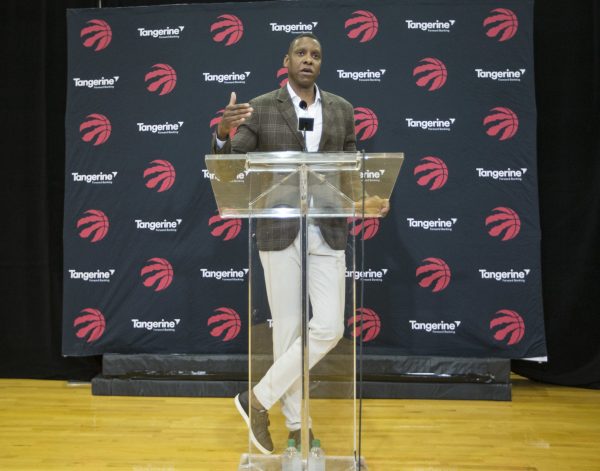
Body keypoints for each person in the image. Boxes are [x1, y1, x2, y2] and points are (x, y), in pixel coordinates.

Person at [211, 33, 388, 454]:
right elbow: (231, 166)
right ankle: (297, 426)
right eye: (301, 53)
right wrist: (222, 131)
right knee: (287, 332)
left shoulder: (343, 110)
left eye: (316, 55)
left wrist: (361, 201)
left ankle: (255, 398)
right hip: (279, 228)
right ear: (286, 60)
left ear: (320, 64)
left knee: (327, 326)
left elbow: (347, 172)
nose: (308, 60)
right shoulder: (260, 107)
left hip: (327, 228)